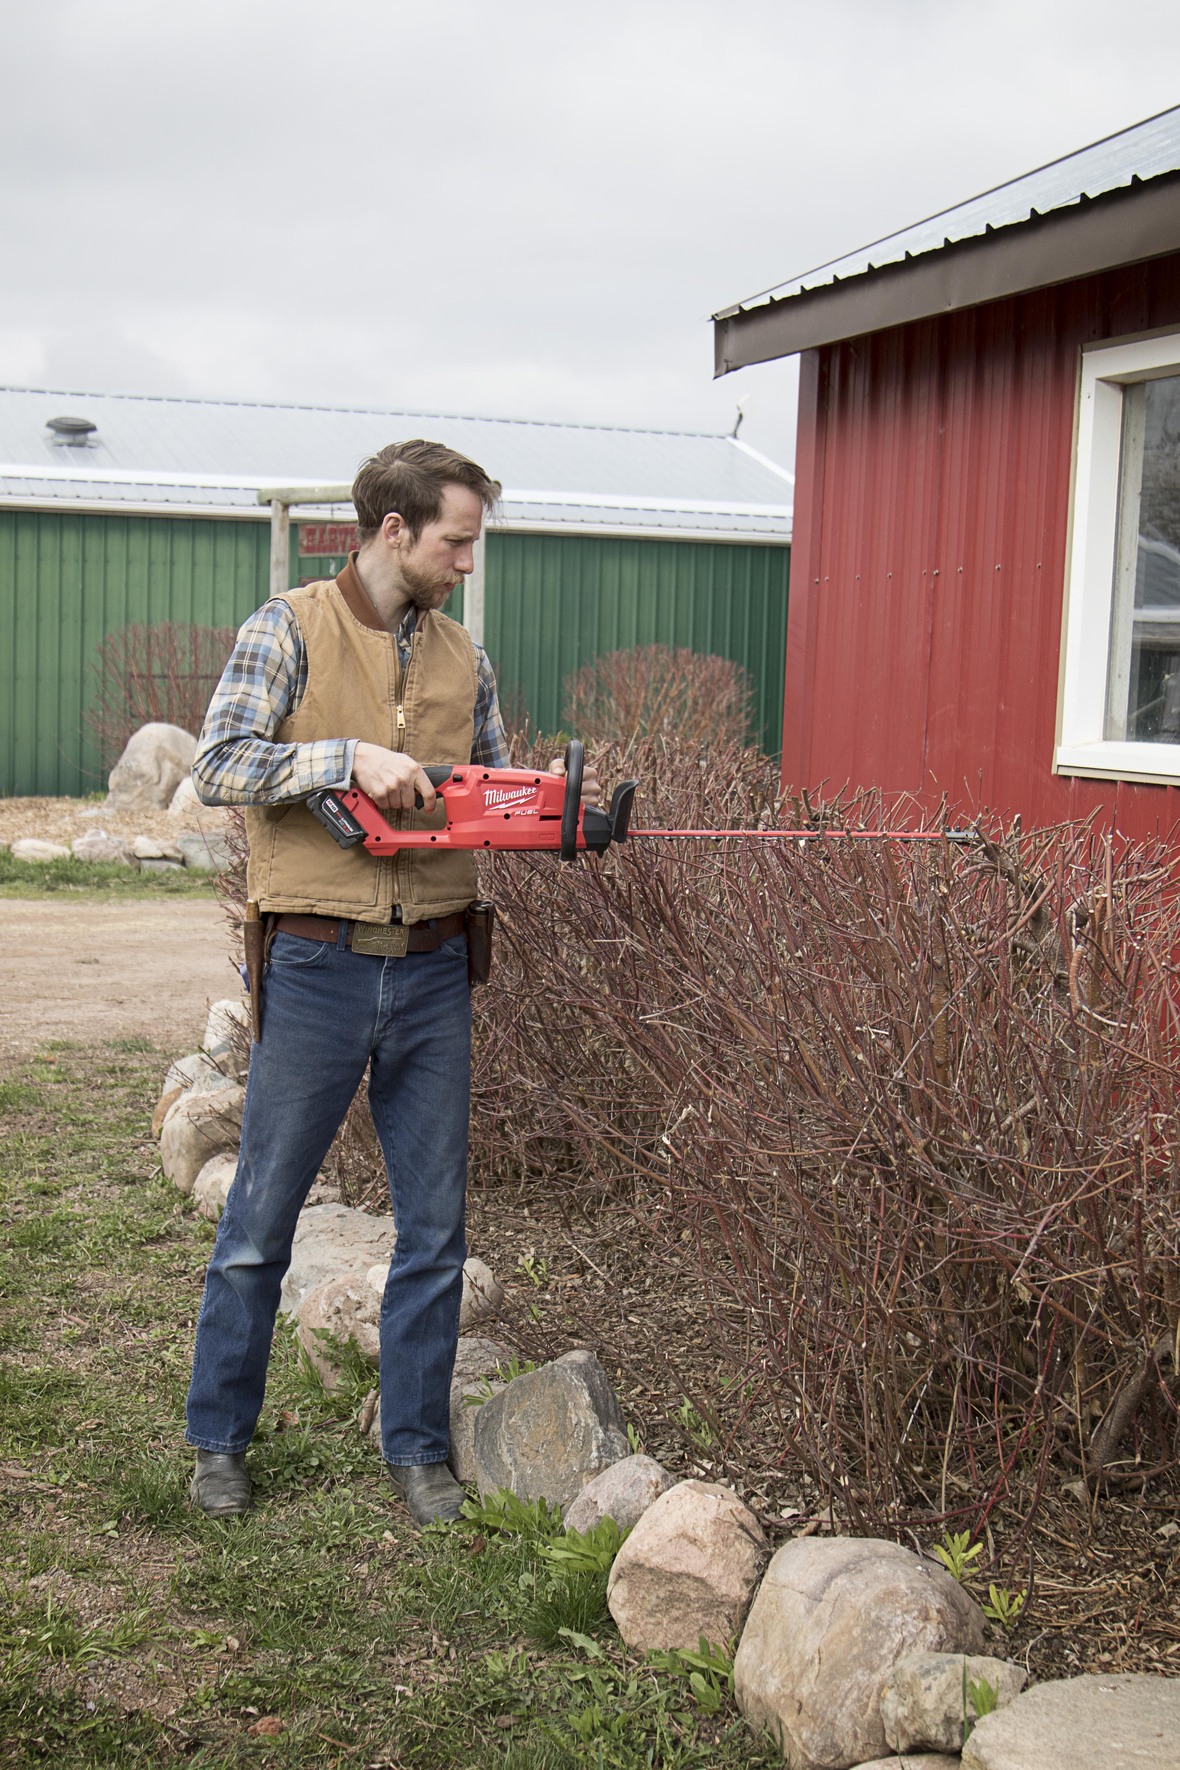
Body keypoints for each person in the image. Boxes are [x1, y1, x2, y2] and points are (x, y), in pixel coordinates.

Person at [184, 438, 595, 1526]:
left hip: (432, 970)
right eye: (456, 541)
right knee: (261, 1222)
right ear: (395, 531)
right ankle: (216, 1441)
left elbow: (490, 797)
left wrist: (557, 814)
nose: (468, 561)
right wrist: (342, 758)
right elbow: (219, 762)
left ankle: (415, 1452)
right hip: (318, 963)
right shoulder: (287, 628)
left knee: (435, 1232)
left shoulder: (469, 658)